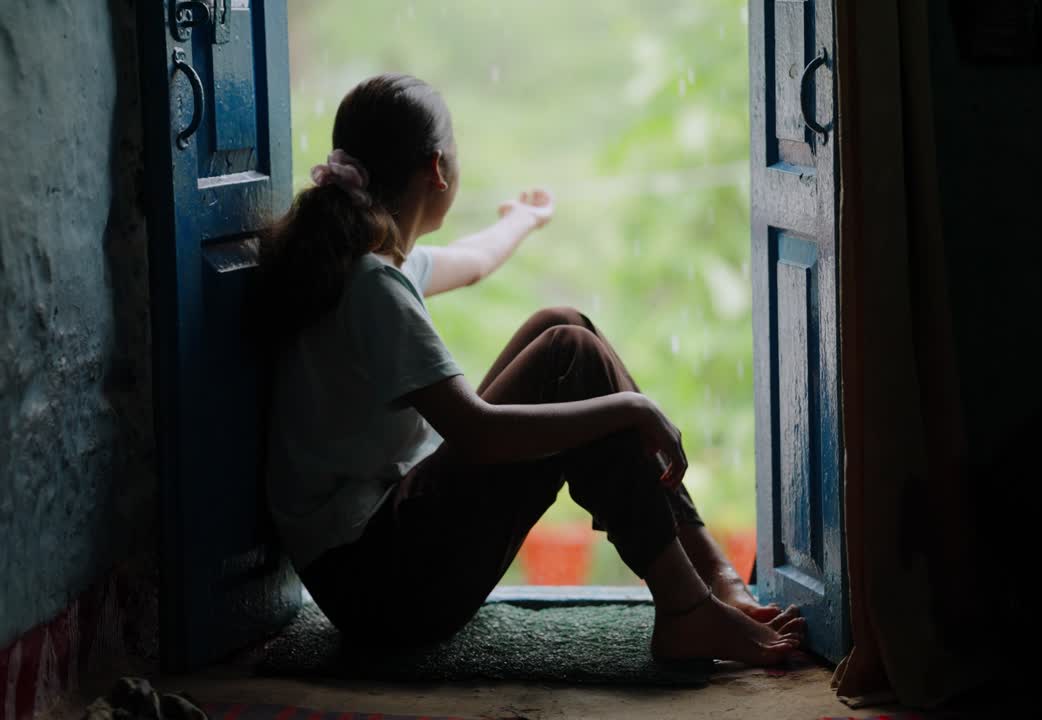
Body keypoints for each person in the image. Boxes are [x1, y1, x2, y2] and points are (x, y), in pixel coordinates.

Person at [259, 73, 804, 665]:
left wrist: (522, 219)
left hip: (371, 574)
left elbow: (472, 261)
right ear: (438, 169)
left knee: (561, 323)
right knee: (568, 354)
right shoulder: (371, 289)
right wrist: (631, 406)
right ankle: (685, 608)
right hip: (383, 589)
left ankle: (709, 575)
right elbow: (478, 433)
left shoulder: (362, 265)